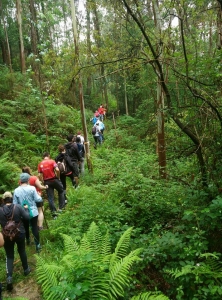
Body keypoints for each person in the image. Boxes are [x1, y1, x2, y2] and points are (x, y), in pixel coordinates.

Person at [0, 191, 31, 291]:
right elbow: (27, 217)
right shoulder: (18, 207)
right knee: (22, 251)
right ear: (11, 198)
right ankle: (26, 269)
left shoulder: (0, 210)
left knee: (9, 256)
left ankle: (9, 277)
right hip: (20, 232)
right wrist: (26, 210)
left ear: (4, 200)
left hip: (6, 236)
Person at [13, 173, 43, 252]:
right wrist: (39, 195)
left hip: (22, 213)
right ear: (28, 180)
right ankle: (38, 245)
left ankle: (28, 240)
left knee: (25, 227)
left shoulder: (16, 190)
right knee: (34, 227)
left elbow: (15, 204)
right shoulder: (32, 188)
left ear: (20, 181)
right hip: (33, 211)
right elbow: (38, 200)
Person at [38, 152, 66, 218]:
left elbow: (39, 175)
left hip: (47, 182)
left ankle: (54, 214)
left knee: (50, 198)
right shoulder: (52, 161)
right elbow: (57, 169)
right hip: (54, 179)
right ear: (48, 156)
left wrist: (42, 181)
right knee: (61, 191)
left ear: (43, 157)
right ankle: (61, 208)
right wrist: (58, 177)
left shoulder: (40, 164)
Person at [21, 166, 48, 230]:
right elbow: (40, 187)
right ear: (29, 171)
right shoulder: (33, 178)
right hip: (37, 196)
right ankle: (40, 226)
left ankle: (34, 225)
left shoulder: (21, 181)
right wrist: (46, 187)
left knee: (31, 211)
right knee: (40, 211)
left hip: (27, 199)